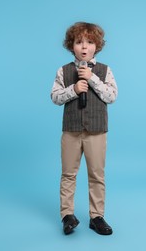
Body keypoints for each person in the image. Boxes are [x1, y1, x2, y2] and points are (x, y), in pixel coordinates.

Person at [51, 22, 118, 235]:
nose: (84, 47)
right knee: (68, 173)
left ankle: (96, 216)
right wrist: (73, 89)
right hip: (71, 131)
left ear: (97, 46)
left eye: (89, 42)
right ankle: (67, 215)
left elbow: (112, 96)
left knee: (96, 175)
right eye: (79, 42)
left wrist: (92, 80)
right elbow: (55, 97)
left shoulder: (105, 71)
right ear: (71, 46)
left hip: (96, 132)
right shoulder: (63, 71)